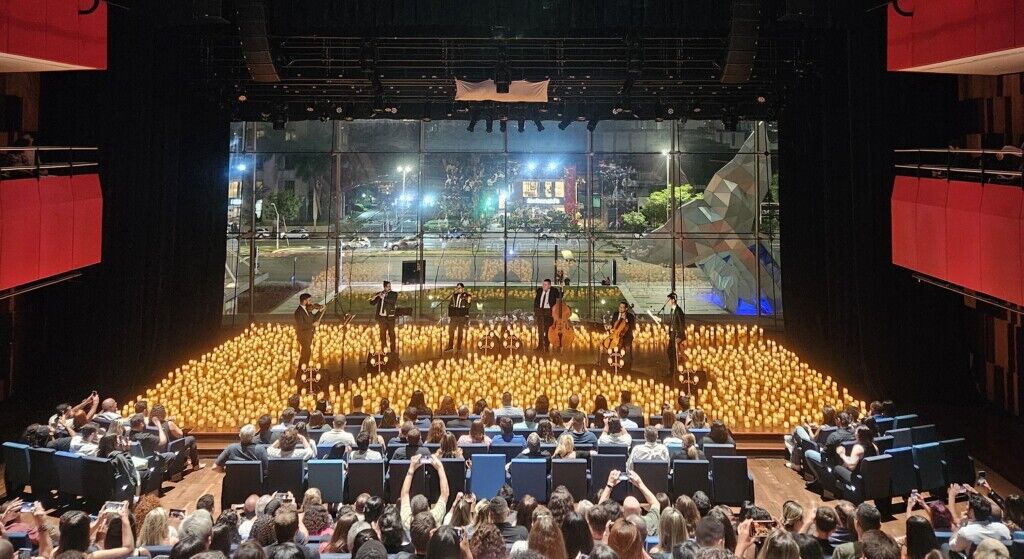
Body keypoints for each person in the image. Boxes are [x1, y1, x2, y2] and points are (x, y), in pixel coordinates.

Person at [151, 404, 203, 472]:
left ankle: (184, 461)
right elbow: (180, 435)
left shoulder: (148, 424)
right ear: (164, 413)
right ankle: (196, 465)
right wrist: (174, 424)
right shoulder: (169, 424)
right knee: (191, 439)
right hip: (169, 450)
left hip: (155, 451)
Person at [294, 293, 324, 375]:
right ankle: (301, 371)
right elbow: (301, 326)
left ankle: (303, 369)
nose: (311, 302)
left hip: (309, 335)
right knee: (305, 353)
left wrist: (320, 311)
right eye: (309, 300)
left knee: (307, 353)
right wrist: (312, 325)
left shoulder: (307, 309)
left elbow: (313, 318)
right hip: (303, 336)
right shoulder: (298, 312)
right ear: (304, 301)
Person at [369, 281, 398, 354]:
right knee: (382, 335)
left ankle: (393, 351)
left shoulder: (394, 294)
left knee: (391, 334)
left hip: (390, 318)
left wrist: (384, 298)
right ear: (384, 287)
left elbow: (392, 301)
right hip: (381, 318)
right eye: (388, 286)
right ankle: (384, 350)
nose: (389, 287)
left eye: (390, 286)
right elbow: (372, 303)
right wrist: (373, 298)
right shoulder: (380, 293)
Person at [533, 279, 561, 352]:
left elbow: (560, 296)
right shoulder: (539, 291)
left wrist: (562, 287)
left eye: (545, 285)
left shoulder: (553, 291)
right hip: (540, 312)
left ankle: (546, 346)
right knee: (540, 330)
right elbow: (536, 301)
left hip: (549, 313)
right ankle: (540, 346)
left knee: (547, 330)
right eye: (543, 284)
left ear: (549, 286)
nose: (544, 286)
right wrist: (536, 309)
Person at [444, 283, 472, 352]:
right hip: (454, 316)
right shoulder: (454, 296)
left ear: (463, 288)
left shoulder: (467, 295)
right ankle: (450, 346)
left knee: (460, 332)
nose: (458, 289)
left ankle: (459, 347)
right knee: (451, 330)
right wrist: (449, 315)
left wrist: (467, 300)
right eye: (457, 288)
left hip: (462, 317)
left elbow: (468, 306)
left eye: (460, 288)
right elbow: (450, 305)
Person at [664, 293, 686, 377]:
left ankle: (675, 372)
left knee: (675, 354)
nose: (667, 302)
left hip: (677, 335)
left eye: (669, 300)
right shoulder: (672, 310)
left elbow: (681, 324)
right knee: (670, 352)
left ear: (673, 300)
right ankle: (672, 371)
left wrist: (680, 336)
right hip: (672, 334)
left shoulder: (678, 311)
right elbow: (671, 322)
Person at [611, 301, 637, 369]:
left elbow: (633, 327)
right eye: (620, 307)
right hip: (616, 335)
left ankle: (626, 362)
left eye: (622, 307)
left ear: (626, 308)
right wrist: (612, 329)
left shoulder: (630, 316)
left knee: (622, 343)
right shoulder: (615, 314)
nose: (621, 309)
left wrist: (626, 321)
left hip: (626, 335)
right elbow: (612, 324)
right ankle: (614, 359)